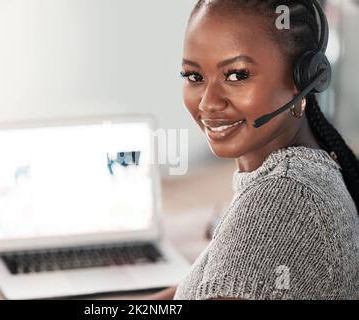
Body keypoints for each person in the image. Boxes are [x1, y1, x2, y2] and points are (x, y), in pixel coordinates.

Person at [151, 0, 359, 300]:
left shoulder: (284, 196)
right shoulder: (284, 175)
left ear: (303, 78)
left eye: (236, 75)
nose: (208, 103)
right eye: (194, 77)